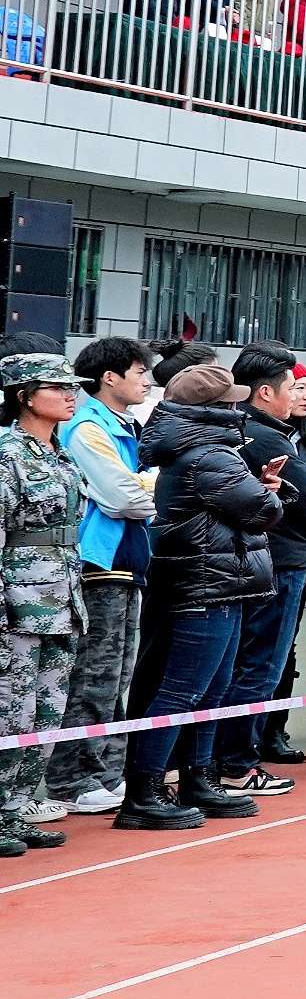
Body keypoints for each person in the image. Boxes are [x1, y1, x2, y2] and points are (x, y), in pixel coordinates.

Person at [115, 365, 280, 829]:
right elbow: (262, 510)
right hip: (204, 583)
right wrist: (269, 495)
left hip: (213, 581)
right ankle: (146, 791)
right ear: (213, 409)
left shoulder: (198, 451)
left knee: (209, 689)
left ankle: (195, 777)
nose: (238, 406)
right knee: (185, 689)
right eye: (230, 400)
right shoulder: (210, 455)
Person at [45, 335, 155, 818]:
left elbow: (137, 495)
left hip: (129, 562)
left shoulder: (123, 426)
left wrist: (145, 491)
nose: (148, 381)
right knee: (94, 675)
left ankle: (106, 772)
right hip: (100, 566)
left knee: (119, 675)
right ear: (110, 378)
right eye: (139, 373)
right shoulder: (88, 428)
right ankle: (71, 777)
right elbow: (126, 499)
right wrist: (151, 490)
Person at [226, 347, 306, 787]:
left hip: (277, 557)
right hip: (280, 558)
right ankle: (236, 761)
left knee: (262, 659)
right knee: (262, 662)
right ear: (266, 392)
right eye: (294, 387)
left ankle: (240, 753)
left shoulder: (279, 434)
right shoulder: (267, 438)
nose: (299, 396)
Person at [1, 354, 90, 849]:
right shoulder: (6, 453)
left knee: (47, 710)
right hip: (17, 600)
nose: (70, 394)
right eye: (58, 388)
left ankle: (15, 807)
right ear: (25, 396)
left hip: (60, 595)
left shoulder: (60, 453)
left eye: (71, 386)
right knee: (10, 708)